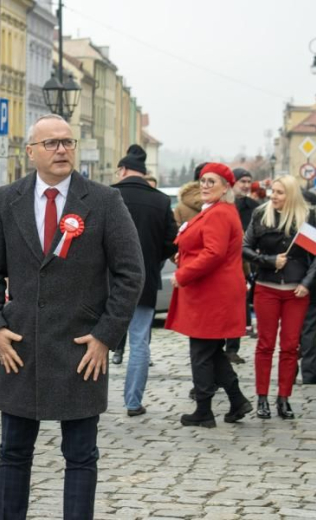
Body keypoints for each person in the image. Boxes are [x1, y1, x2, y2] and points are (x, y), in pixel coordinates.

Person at [0, 114, 144, 520]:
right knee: (14, 451)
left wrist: (106, 335)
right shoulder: (8, 199)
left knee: (81, 454)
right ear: (30, 152)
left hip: (80, 347)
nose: (61, 150)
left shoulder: (104, 200)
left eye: (67, 142)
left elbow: (131, 273)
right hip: (20, 346)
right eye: (51, 144)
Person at [166, 162, 253, 428]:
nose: (205, 186)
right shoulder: (217, 211)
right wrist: (186, 255)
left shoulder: (219, 213)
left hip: (212, 291)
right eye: (203, 181)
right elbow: (209, 247)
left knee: (201, 352)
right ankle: (237, 400)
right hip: (211, 290)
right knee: (212, 350)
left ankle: (204, 410)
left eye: (211, 182)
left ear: (225, 187)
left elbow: (214, 253)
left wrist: (183, 273)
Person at [243, 175, 316, 419]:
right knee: (265, 344)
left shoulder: (306, 217)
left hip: (296, 291)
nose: (273, 196)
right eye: (272, 191)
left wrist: (307, 283)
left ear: (291, 195)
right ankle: (262, 398)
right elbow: (244, 248)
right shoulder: (260, 214)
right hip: (267, 287)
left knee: (290, 347)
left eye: (279, 192)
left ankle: (284, 398)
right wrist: (267, 260)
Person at [112, 144, 177, 417]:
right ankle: (133, 402)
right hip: (144, 280)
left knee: (97, 340)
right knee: (140, 342)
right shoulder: (161, 201)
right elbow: (171, 243)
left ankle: (90, 399)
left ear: (124, 169)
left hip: (107, 281)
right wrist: (152, 261)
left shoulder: (109, 195)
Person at [226, 168, 260, 364]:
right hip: (227, 261)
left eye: (249, 181)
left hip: (245, 262)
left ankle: (232, 348)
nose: (246, 185)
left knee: (239, 307)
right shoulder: (224, 205)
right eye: (242, 181)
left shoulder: (254, 207)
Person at [298, 190, 316, 385]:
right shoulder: (313, 223)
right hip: (311, 283)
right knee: (308, 330)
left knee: (294, 331)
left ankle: (291, 372)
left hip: (297, 282)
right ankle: (309, 373)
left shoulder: (299, 222)